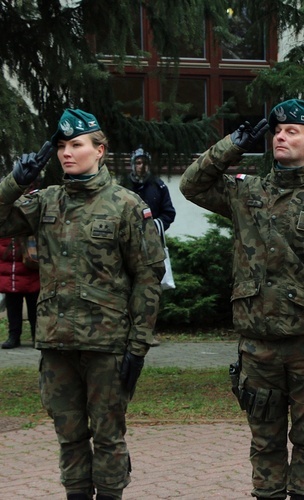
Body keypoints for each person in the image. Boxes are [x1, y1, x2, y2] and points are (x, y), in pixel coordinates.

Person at [179, 99, 304, 500]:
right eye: (277, 131)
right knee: (264, 442)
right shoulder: (248, 192)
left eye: (293, 131)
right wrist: (233, 144)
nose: (281, 136)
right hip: (258, 343)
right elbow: (192, 186)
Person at [0, 108, 166, 500]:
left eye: (76, 145)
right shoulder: (46, 201)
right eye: (61, 146)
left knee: (108, 436)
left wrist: (138, 346)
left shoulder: (125, 205)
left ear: (100, 150)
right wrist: (14, 183)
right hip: (57, 343)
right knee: (69, 435)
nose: (66, 154)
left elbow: (147, 278)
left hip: (107, 345)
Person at [120, 147, 176, 237]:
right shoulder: (123, 186)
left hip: (152, 237)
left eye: (145, 163)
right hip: (127, 237)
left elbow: (169, 213)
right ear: (132, 165)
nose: (142, 166)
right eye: (138, 163)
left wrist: (154, 226)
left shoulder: (159, 186)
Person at [0, 236, 39, 348]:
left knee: (34, 308)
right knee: (13, 309)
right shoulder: (4, 234)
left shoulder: (30, 233)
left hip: (31, 276)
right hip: (10, 278)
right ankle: (14, 336)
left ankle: (36, 336)